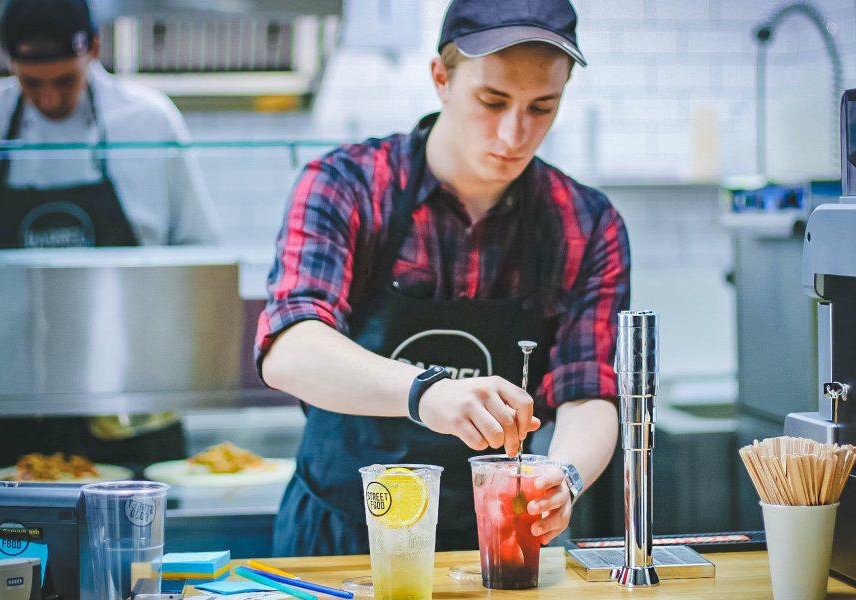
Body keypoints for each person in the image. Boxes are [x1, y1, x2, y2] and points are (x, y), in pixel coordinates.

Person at [257, 0, 630, 556]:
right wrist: (425, 393)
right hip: (337, 537)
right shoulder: (348, 184)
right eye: (492, 101)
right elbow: (289, 348)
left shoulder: (585, 223)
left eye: (542, 107)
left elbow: (588, 391)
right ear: (441, 78)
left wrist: (566, 477)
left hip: (494, 541)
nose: (514, 133)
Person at [0, 0, 219, 471]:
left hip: (133, 402)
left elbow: (197, 252)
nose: (48, 99)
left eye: (65, 81)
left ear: (95, 50)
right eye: (31, 83)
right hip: (10, 403)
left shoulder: (147, 121)